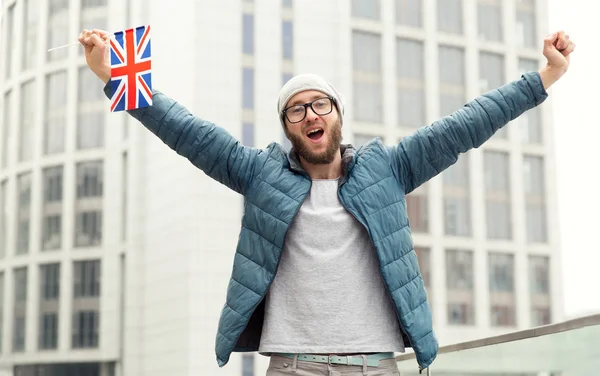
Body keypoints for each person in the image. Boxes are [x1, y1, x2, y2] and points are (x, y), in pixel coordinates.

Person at [78, 28, 575, 375]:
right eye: (296, 109)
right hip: (293, 365)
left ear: (336, 115)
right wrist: (110, 74)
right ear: (288, 127)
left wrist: (544, 78)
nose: (309, 113)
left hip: (376, 364)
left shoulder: (389, 168)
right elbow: (186, 131)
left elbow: (467, 124)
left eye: (320, 104)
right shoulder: (259, 173)